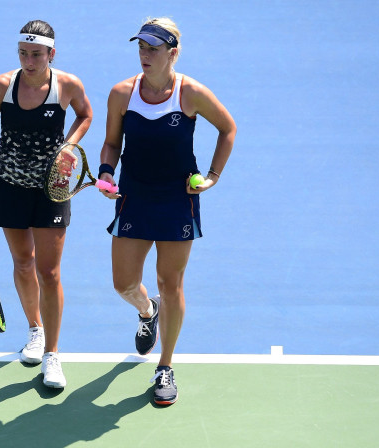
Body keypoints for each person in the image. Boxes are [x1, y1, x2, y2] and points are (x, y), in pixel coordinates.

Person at [97, 17, 236, 405]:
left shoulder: (190, 93)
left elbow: (228, 128)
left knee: (169, 283)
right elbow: (111, 143)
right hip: (135, 196)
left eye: (153, 48)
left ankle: (165, 366)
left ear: (172, 53)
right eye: (141, 46)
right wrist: (107, 171)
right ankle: (146, 312)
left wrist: (212, 176)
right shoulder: (121, 93)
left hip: (177, 197)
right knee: (123, 283)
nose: (145, 54)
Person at [0, 20, 93, 389]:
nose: (29, 61)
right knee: (22, 261)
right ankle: (35, 329)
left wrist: (69, 145)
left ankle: (52, 353)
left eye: (36, 54)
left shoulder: (68, 85)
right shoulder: (3, 86)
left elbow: (86, 114)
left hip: (51, 189)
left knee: (49, 272)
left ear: (51, 54)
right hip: (10, 186)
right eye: (23, 53)